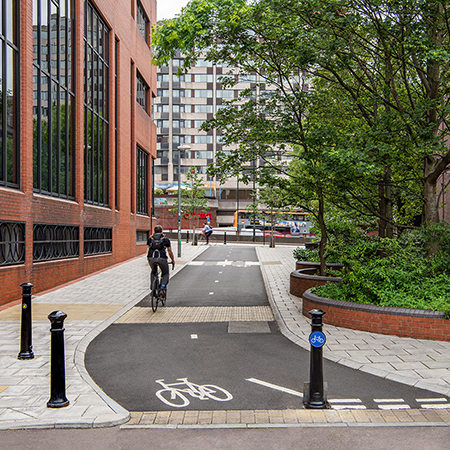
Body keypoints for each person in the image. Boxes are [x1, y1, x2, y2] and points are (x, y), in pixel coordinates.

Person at [147, 225, 175, 299]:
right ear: (162, 231)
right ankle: (162, 288)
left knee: (153, 272)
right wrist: (172, 260)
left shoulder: (150, 239)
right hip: (162, 258)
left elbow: (148, 250)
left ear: (154, 231)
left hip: (151, 258)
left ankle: (153, 289)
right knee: (165, 273)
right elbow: (170, 251)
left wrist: (149, 260)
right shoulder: (165, 240)